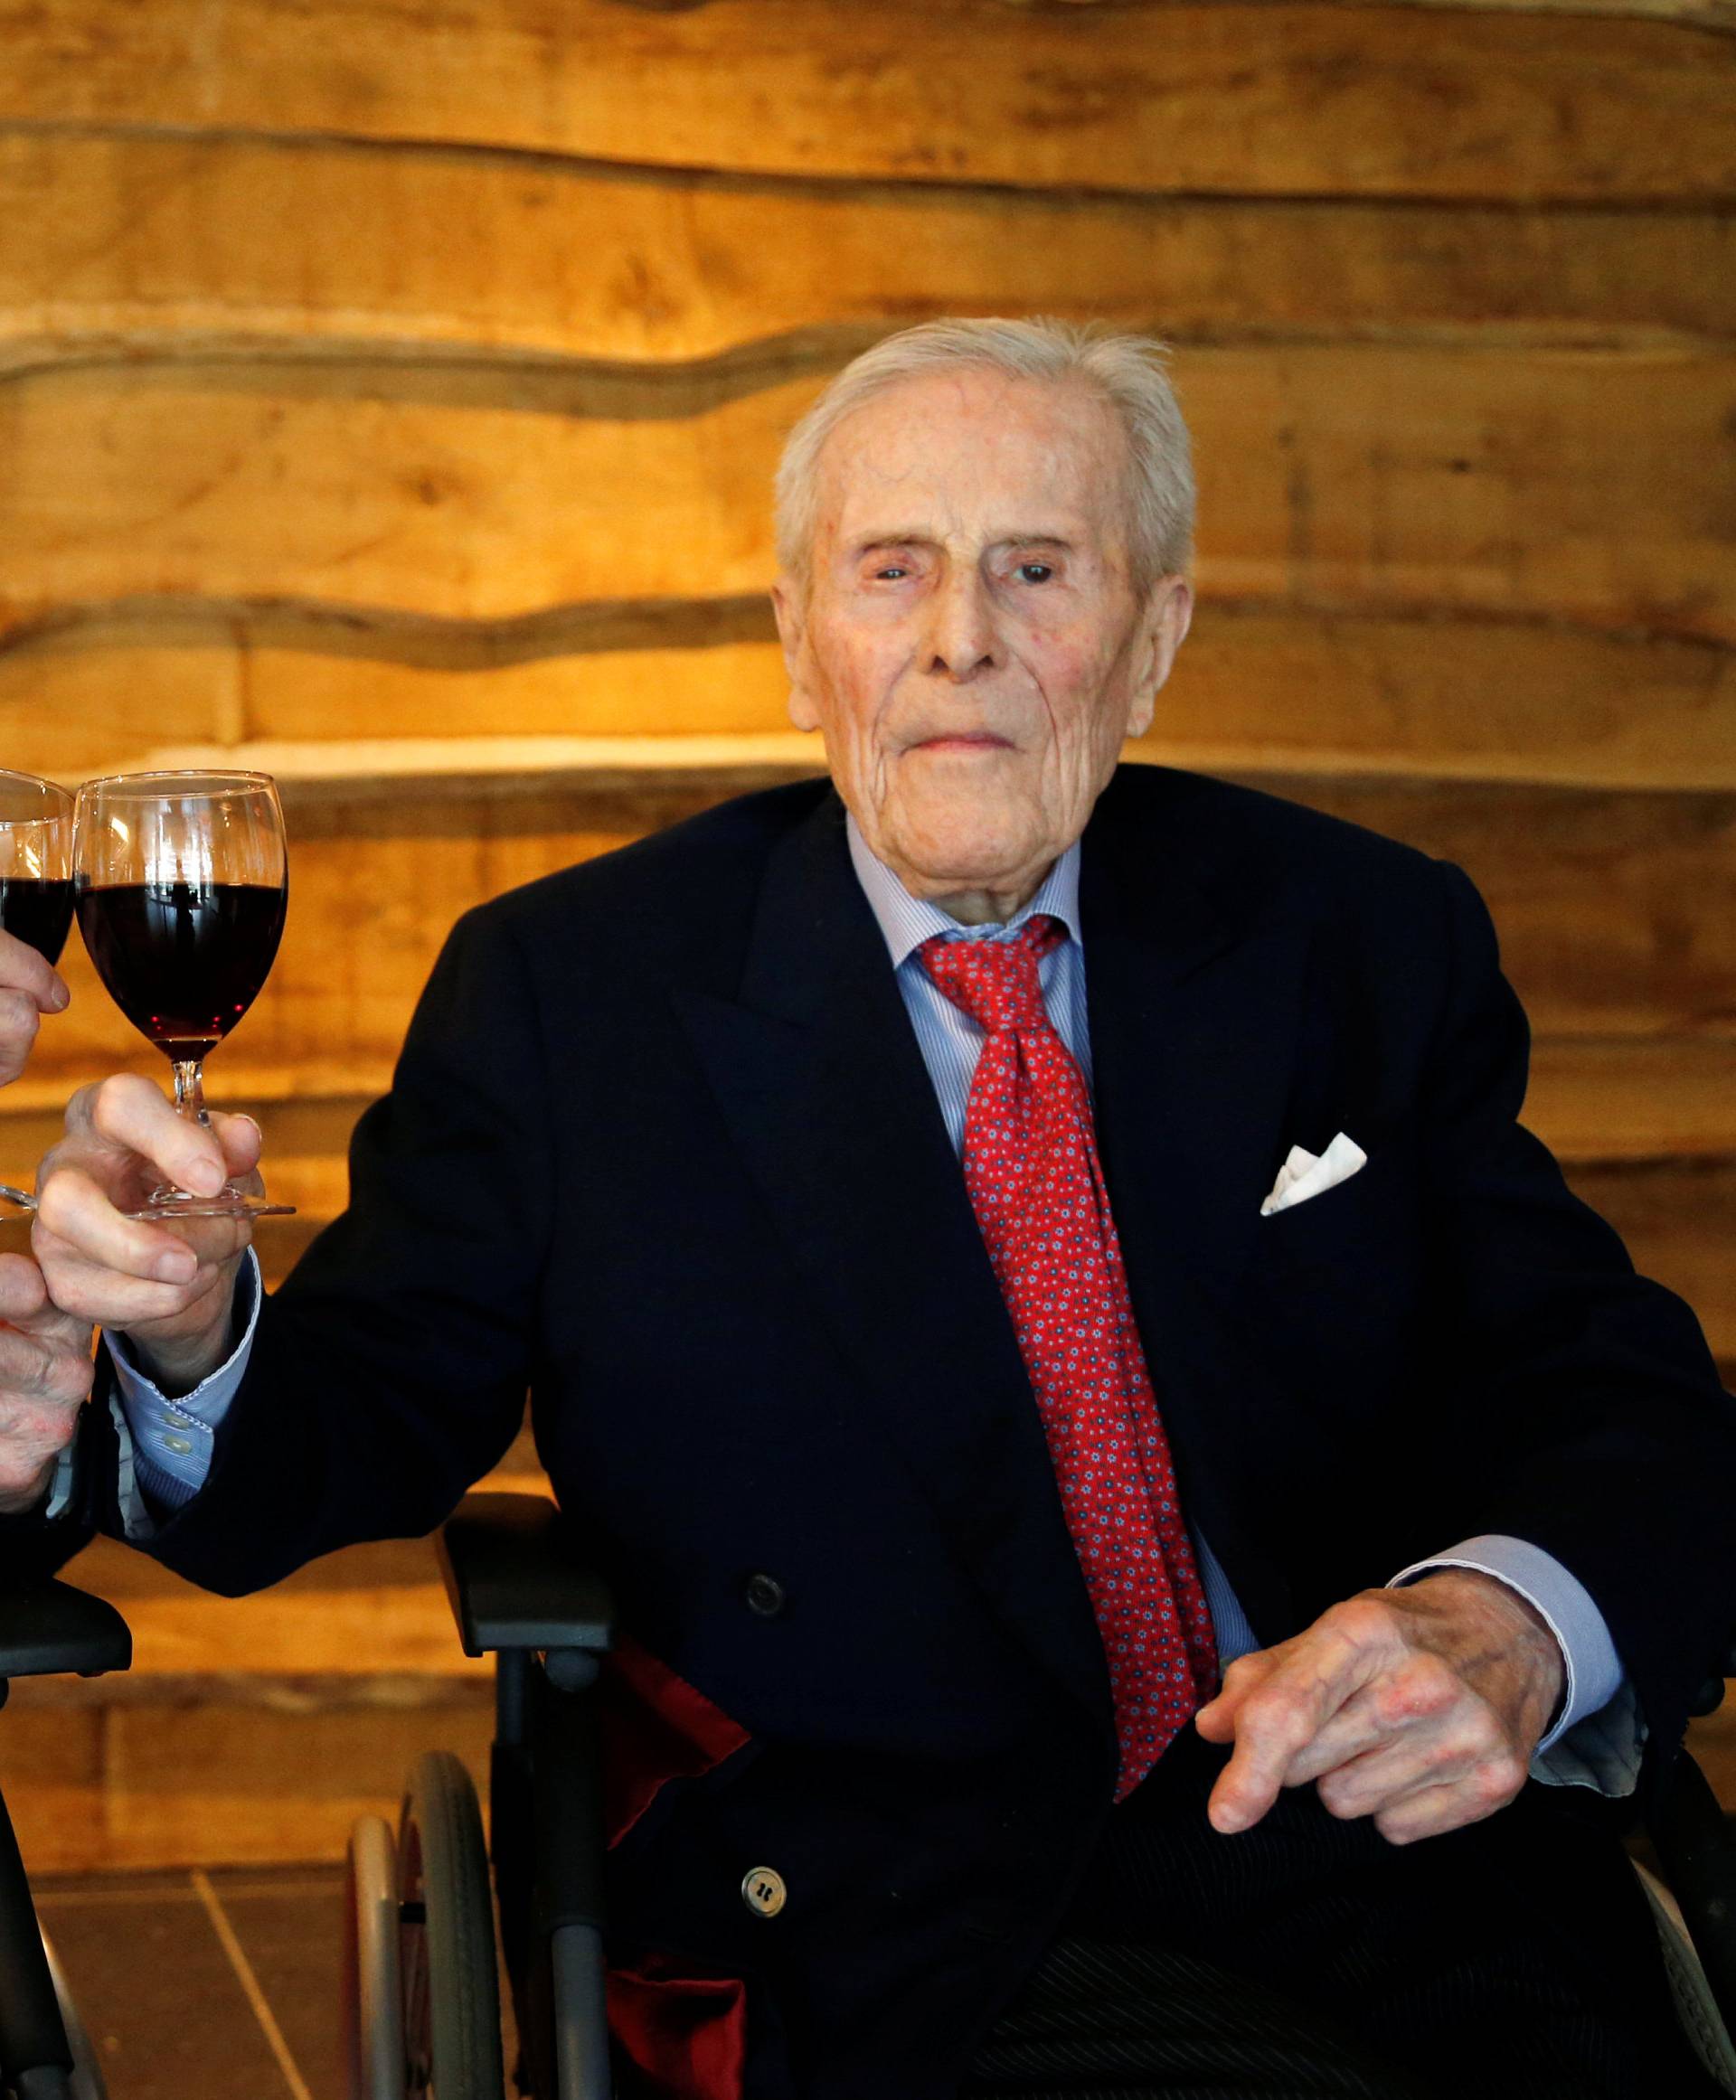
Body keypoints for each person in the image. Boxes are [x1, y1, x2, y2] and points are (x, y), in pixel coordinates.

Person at [13, 320, 1736, 2098]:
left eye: (1038, 570)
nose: (958, 638)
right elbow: (359, 1420)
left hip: (1389, 1851)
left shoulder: (1359, 938)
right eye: (892, 569)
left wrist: (1508, 1627)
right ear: (797, 640)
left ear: (1152, 643)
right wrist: (194, 1316)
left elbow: (1621, 1400)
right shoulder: (575, 992)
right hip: (902, 1908)